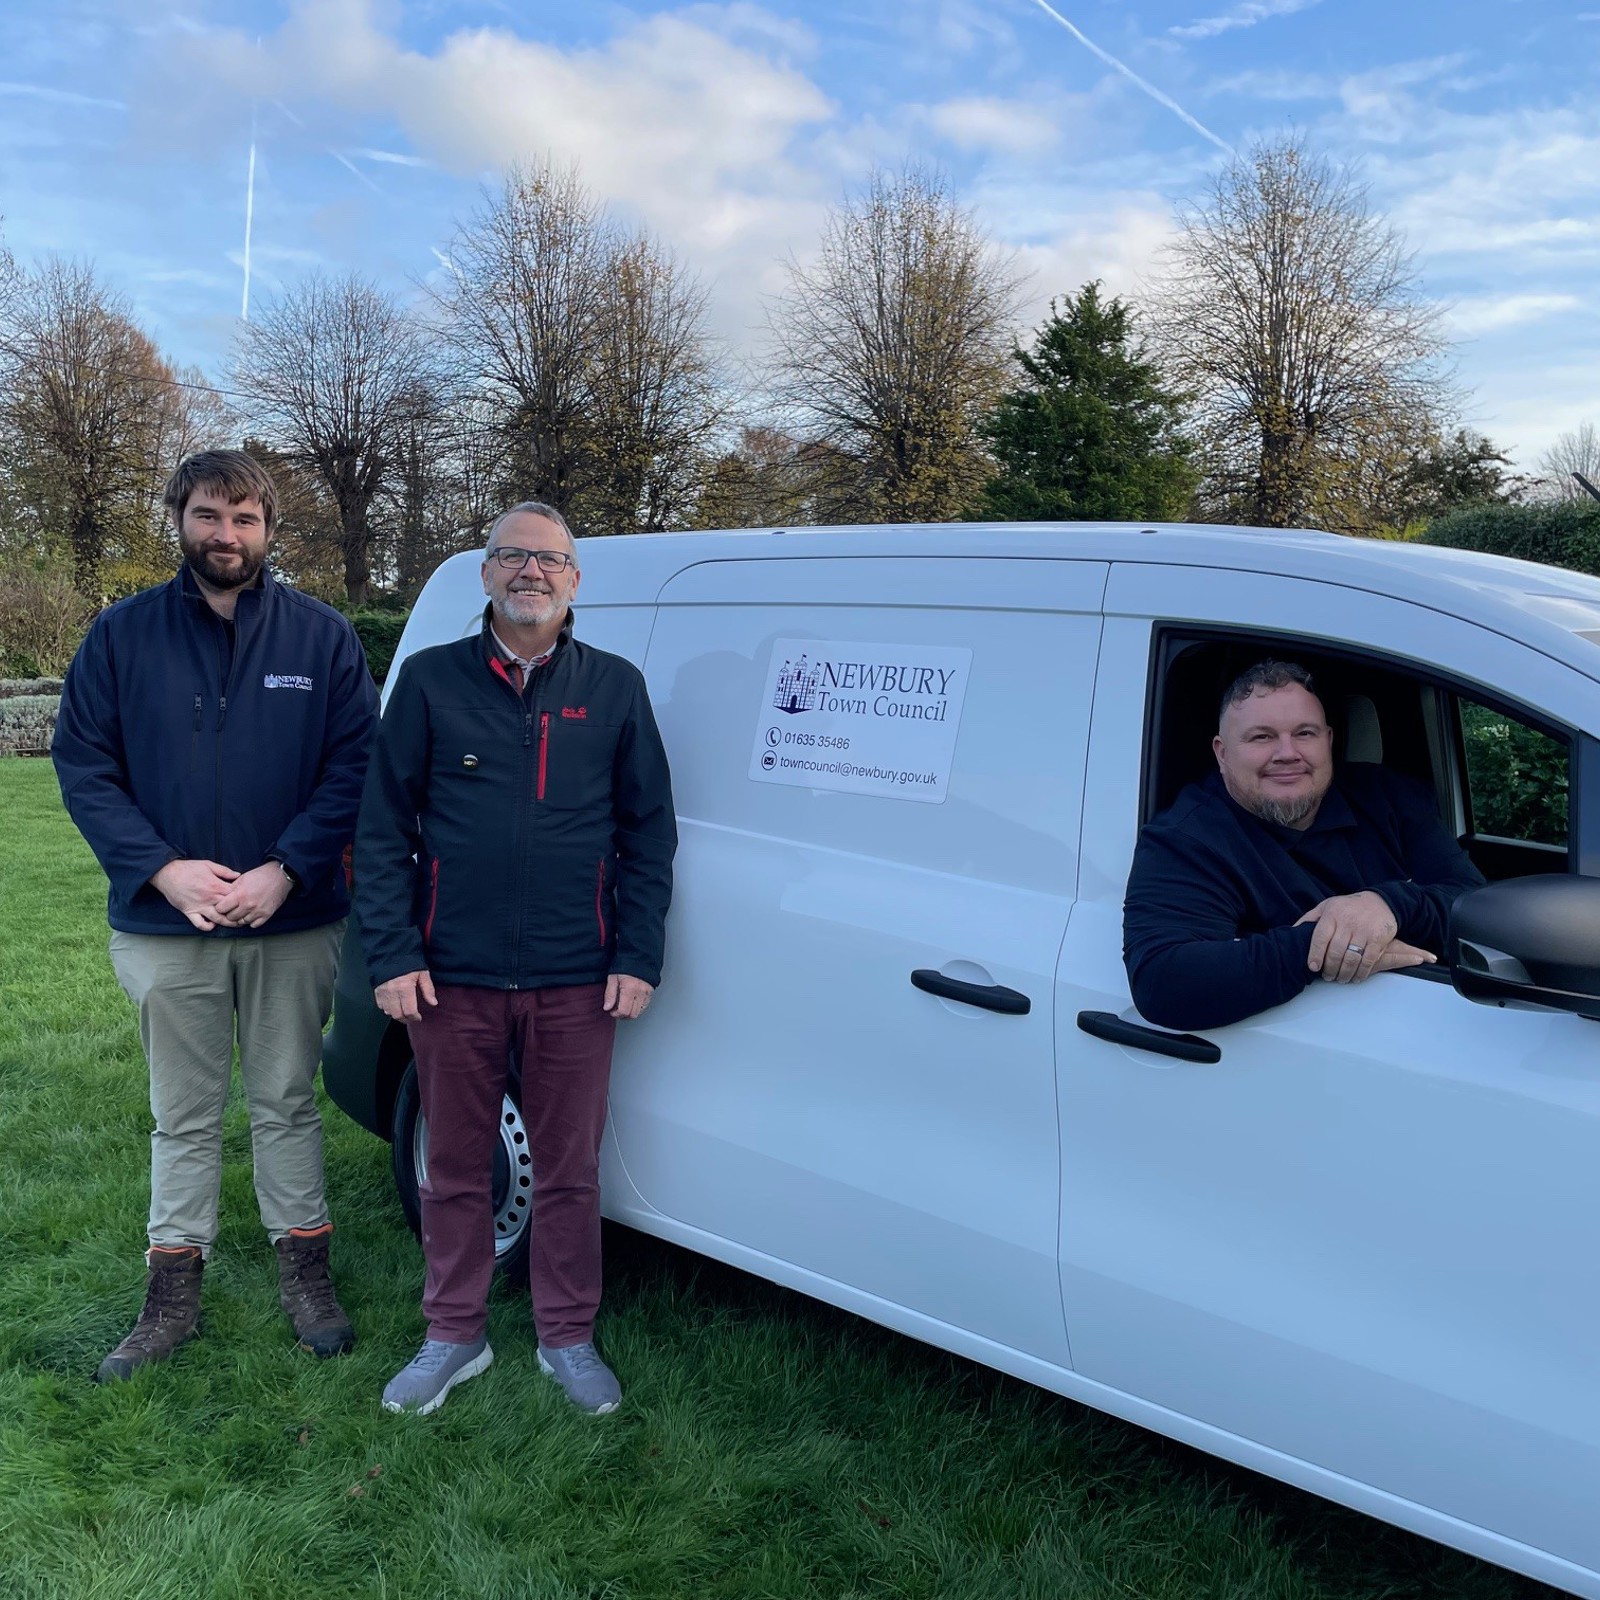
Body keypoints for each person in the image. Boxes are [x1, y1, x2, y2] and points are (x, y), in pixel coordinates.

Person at [51, 449, 379, 1382]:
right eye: (207, 515)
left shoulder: (321, 638)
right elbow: (84, 764)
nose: (225, 534)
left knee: (285, 1101)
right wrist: (162, 871)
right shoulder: (121, 635)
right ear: (179, 520)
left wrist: (287, 869)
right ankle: (171, 1294)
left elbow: (357, 764)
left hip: (293, 920)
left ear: (269, 527)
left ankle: (305, 1273)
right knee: (183, 1114)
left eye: (243, 518)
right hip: (168, 926)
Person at [355, 500, 675, 1417]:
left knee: (569, 1172)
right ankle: (453, 1334)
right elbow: (381, 832)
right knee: (455, 1167)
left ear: (575, 580)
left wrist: (637, 954)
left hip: (578, 978)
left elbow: (649, 834)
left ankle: (566, 1337)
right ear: (486, 573)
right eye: (513, 557)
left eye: (550, 560)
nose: (531, 572)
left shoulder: (613, 687)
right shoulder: (430, 681)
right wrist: (394, 954)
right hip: (450, 976)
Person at [1123, 659, 1485, 1032]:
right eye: (1261, 737)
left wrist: (1387, 906)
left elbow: (1477, 910)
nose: (1287, 753)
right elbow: (1163, 983)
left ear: (1328, 741)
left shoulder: (1392, 799)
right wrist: (1325, 942)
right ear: (1222, 752)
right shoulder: (1186, 838)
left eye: (1305, 733)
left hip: (1443, 1028)